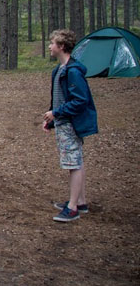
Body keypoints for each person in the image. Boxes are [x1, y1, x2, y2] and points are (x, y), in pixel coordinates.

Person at [42, 29, 98, 223]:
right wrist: (51, 118)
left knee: (73, 164)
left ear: (62, 47)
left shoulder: (73, 72)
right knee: (75, 162)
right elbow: (59, 98)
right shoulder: (59, 70)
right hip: (63, 122)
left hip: (71, 124)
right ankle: (80, 201)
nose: (50, 46)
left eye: (53, 43)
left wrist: (56, 114)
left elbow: (80, 101)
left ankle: (72, 208)